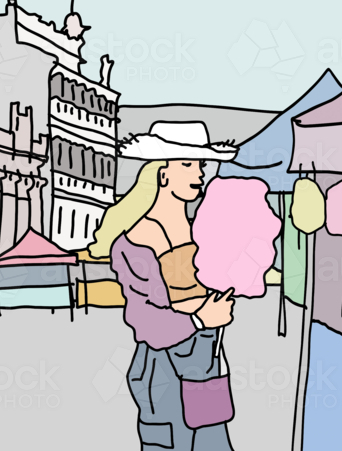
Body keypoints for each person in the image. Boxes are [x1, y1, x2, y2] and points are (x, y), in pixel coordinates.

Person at [90, 121, 238, 451]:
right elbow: (146, 321)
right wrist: (201, 317)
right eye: (187, 163)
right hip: (163, 369)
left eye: (200, 163)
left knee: (214, 443)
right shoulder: (132, 244)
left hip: (207, 359)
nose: (198, 172)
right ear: (162, 173)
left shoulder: (205, 230)